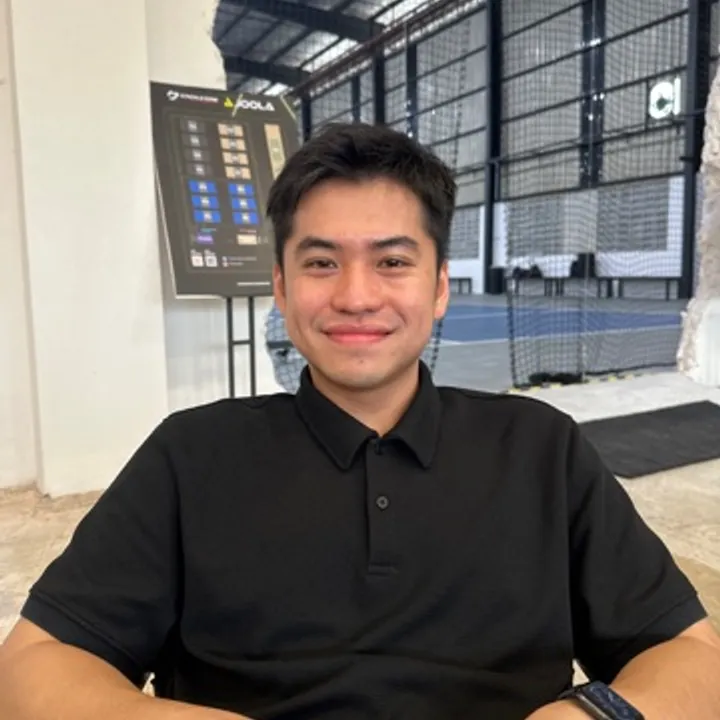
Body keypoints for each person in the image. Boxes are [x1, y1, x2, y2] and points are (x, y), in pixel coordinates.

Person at [1, 122, 719, 720]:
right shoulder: (192, 455)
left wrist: (588, 715)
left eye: (392, 262)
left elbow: (691, 655)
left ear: (439, 287)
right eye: (320, 263)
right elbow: (35, 664)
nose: (355, 296)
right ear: (281, 288)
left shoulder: (539, 448)